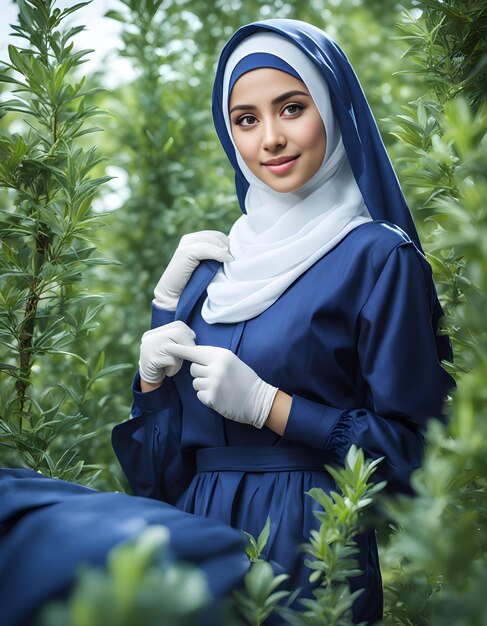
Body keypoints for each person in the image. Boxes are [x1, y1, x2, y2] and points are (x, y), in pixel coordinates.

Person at [112, 18, 455, 624]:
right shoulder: (218, 268)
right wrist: (156, 350)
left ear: (333, 108)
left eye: (292, 107)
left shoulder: (377, 257)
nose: (270, 138)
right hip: (196, 555)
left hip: (311, 552)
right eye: (246, 119)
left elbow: (417, 462)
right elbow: (156, 482)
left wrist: (276, 408)